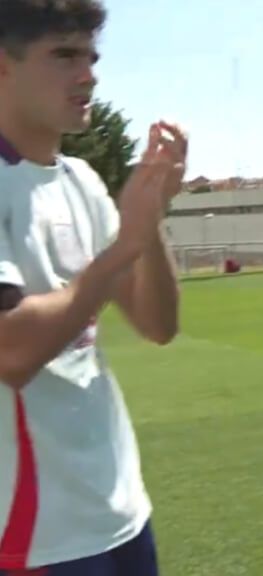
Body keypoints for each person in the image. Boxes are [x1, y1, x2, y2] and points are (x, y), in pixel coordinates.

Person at [0, 0, 188, 573]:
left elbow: (158, 325)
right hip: (37, 531)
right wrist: (124, 246)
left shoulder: (80, 179)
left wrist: (148, 218)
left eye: (91, 57)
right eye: (63, 56)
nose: (89, 75)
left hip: (121, 510)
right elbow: (11, 351)